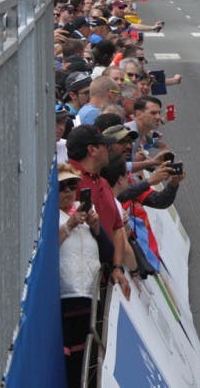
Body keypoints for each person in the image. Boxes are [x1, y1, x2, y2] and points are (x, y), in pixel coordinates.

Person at [65, 126, 131, 299]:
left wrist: (117, 267)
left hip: (102, 275)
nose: (108, 149)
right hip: (79, 284)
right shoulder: (69, 182)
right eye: (104, 145)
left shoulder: (102, 182)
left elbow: (117, 228)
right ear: (92, 150)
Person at [56, 163, 104, 386]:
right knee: (73, 359)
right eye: (62, 186)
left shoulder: (84, 211)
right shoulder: (50, 217)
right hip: (68, 295)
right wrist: (69, 224)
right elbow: (46, 250)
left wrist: (96, 228)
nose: (68, 191)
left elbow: (108, 250)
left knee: (94, 355)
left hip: (91, 293)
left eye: (72, 185)